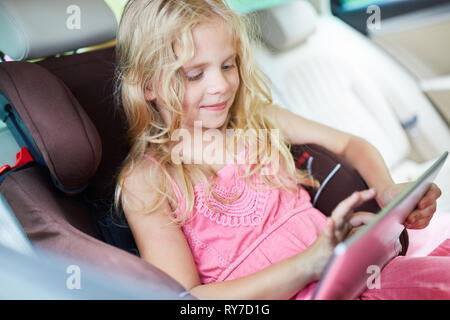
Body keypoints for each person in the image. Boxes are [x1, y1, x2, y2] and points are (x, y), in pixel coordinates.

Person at [113, 0, 448, 299]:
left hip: (357, 277)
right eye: (195, 74)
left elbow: (350, 144)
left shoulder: (257, 120)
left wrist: (387, 191)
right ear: (147, 85)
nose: (221, 85)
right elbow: (186, 298)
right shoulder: (147, 182)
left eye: (228, 65)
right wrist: (308, 265)